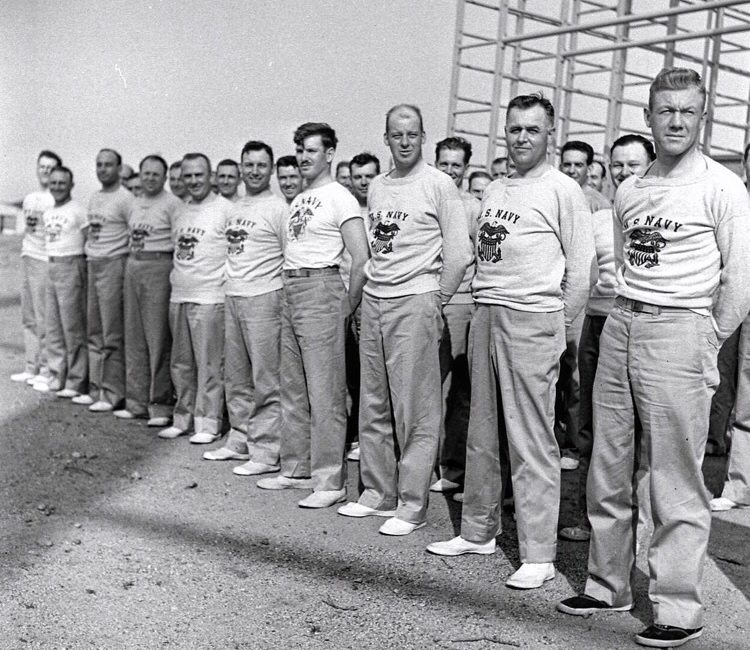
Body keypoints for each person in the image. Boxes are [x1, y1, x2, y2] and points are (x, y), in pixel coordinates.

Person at [557, 67, 750, 649]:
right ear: (648, 116)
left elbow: (740, 280)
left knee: (675, 476)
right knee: (608, 464)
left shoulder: (722, 187)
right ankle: (607, 584)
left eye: (688, 111)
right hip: (622, 321)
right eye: (666, 110)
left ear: (703, 117)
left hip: (681, 329)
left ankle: (678, 607)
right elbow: (623, 259)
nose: (676, 121)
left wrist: (707, 339)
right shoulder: (633, 187)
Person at [426, 93, 593, 590]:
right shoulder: (497, 188)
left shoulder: (563, 189)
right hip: (486, 312)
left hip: (533, 319)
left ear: (550, 134)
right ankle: (478, 531)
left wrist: (556, 327)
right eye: (515, 129)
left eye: (532, 130)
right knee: (482, 431)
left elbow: (582, 269)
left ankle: (539, 553)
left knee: (531, 439)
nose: (522, 138)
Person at [337, 105, 472, 535]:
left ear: (423, 137)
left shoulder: (439, 184)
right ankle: (377, 492)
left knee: (415, 409)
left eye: (412, 134)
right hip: (376, 299)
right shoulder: (378, 185)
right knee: (373, 402)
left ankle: (412, 503)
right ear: (386, 139)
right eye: (397, 135)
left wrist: (437, 298)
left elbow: (460, 254)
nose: (405, 141)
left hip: (415, 301)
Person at [256, 122, 368, 510]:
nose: (304, 157)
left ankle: (329, 480)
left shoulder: (341, 197)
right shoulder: (300, 198)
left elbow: (361, 258)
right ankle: (295, 468)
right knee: (293, 388)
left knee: (325, 394)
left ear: (330, 154)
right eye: (300, 150)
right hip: (291, 288)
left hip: (322, 288)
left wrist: (346, 306)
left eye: (311, 150)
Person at [558, 133, 655, 543]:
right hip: (598, 324)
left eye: (634, 165)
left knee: (644, 431)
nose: (624, 172)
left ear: (650, 164)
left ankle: (641, 524)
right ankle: (589, 517)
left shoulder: (659, 213)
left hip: (645, 327)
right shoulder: (598, 215)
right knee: (592, 425)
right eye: (617, 165)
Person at [202, 140, 287, 475]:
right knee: (236, 377)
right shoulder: (234, 207)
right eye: (249, 165)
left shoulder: (279, 208)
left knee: (266, 378)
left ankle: (266, 451)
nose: (254, 171)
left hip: (264, 297)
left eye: (261, 165)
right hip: (233, 295)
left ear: (271, 169)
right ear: (241, 168)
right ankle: (239, 439)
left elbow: (289, 257)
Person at [159, 153, 231, 443]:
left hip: (210, 296)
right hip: (179, 295)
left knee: (209, 365)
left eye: (198, 175)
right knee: (181, 364)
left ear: (210, 176)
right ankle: (183, 418)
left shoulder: (226, 209)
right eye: (187, 176)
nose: (193, 181)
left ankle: (208, 423)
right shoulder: (179, 210)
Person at [114, 155, 181, 426]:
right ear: (140, 175)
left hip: (159, 266)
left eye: (156, 174)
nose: (150, 178)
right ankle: (136, 402)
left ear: (164, 177)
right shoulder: (132, 203)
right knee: (134, 337)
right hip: (134, 265)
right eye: (146, 173)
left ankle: (160, 406)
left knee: (158, 339)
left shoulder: (173, 204)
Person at [430, 136, 479, 495]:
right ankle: (422, 465)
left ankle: (454, 468)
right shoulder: (426, 198)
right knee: (424, 389)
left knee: (457, 393)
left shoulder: (473, 207)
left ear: (465, 168)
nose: (450, 171)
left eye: (456, 165)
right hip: (425, 301)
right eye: (444, 164)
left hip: (461, 304)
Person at [73, 149, 133, 412]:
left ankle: (113, 393)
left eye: (108, 165)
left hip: (113, 263)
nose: (103, 169)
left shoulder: (126, 198)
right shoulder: (95, 197)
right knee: (94, 331)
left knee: (112, 334)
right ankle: (95, 388)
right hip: (93, 262)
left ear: (119, 169)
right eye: (99, 164)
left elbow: (134, 233)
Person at [343, 152, 381, 462]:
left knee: (371, 374)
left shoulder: (383, 210)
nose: (364, 182)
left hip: (374, 298)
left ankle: (369, 439)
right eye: (358, 177)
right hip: (346, 297)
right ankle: (351, 435)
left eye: (370, 176)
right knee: (350, 374)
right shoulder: (347, 209)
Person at [13, 150, 60, 389]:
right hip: (28, 256)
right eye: (42, 166)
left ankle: (46, 369)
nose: (45, 171)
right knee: (28, 317)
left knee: (44, 318)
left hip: (45, 259)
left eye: (50, 167)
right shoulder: (30, 198)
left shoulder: (55, 200)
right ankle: (31, 366)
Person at [42, 166, 89, 398]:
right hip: (51, 264)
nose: (57, 187)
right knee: (53, 326)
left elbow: (89, 240)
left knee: (73, 327)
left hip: (72, 264)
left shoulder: (78, 210)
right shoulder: (48, 212)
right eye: (54, 183)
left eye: (62, 183)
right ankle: (56, 376)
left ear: (71, 185)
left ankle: (76, 380)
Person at [561, 140, 610, 213]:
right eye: (567, 165)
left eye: (578, 165)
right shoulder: (550, 196)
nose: (571, 170)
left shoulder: (600, 203)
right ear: (560, 167)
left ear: (589, 169)